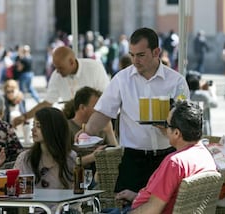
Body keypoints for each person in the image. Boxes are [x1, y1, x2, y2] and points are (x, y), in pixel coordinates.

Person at [80, 28, 190, 194]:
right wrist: (86, 132)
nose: (135, 61)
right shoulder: (121, 79)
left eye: (140, 55)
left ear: (156, 52)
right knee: (127, 208)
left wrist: (169, 126)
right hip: (133, 159)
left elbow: (186, 121)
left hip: (168, 158)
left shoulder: (176, 81)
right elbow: (103, 113)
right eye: (131, 55)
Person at [111, 101, 217, 213]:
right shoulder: (205, 155)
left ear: (176, 133)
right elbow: (171, 197)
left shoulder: (175, 162)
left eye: (167, 125)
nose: (165, 128)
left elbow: (153, 209)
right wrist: (136, 197)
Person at [12, 46, 110, 127]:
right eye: (55, 67)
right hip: (71, 123)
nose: (57, 71)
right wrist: (25, 116)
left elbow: (105, 98)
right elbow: (47, 103)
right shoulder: (56, 76)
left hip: (97, 121)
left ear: (71, 62)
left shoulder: (94, 68)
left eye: (60, 68)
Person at [13, 107, 75, 189]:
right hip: (33, 202)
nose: (33, 129)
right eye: (33, 125)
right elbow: (15, 190)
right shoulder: (25, 159)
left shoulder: (70, 157)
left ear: (52, 128)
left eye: (38, 126)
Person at [67, 86, 118, 186]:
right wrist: (93, 157)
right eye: (97, 107)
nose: (100, 111)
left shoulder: (101, 127)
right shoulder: (67, 129)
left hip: (103, 176)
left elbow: (117, 155)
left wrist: (109, 132)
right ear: (82, 108)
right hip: (78, 177)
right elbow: (64, 164)